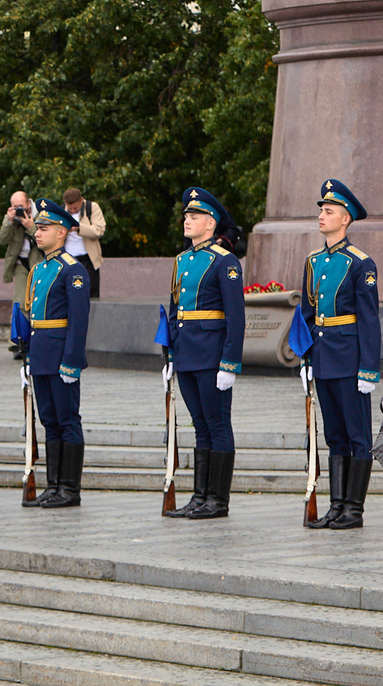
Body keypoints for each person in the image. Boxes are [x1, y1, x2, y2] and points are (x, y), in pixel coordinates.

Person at [300, 178, 382, 529]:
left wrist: (369, 369)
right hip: (323, 358)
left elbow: (369, 321)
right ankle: (336, 505)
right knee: (334, 434)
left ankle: (354, 508)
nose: (322, 215)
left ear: (345, 219)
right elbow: (306, 315)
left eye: (329, 211)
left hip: (349, 359)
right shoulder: (314, 261)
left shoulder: (360, 264)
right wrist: (306, 358)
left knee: (357, 435)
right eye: (321, 209)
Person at [166, 187, 247, 520]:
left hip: (212, 355)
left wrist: (229, 363)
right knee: (200, 426)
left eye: (195, 216)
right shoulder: (182, 261)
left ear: (211, 223)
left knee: (217, 425)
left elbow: (236, 317)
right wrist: (170, 354)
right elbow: (175, 312)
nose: (187, 220)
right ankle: (200, 496)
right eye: (186, 215)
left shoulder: (224, 262)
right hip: (186, 354)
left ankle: (218, 499)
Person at [15, 199, 90, 509]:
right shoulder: (39, 269)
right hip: (42, 356)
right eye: (38, 228)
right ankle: (54, 485)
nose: (38, 233)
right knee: (49, 421)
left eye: (44, 228)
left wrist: (71, 361)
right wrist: (29, 358)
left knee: (67, 420)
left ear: (62, 232)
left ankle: (69, 489)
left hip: (61, 356)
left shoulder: (72, 270)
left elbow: (78, 321)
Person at [0, 191, 37, 345]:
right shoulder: (10, 218)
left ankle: (36, 340)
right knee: (20, 303)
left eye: (21, 206)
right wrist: (9, 222)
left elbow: (48, 241)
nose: (18, 209)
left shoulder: (41, 215)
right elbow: (2, 240)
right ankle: (17, 342)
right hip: (21, 264)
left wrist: (31, 227)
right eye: (15, 206)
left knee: (38, 302)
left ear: (28, 204)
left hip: (39, 264)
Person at [62, 189, 106, 298]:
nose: (73, 210)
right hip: (68, 258)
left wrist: (79, 228)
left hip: (89, 258)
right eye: (70, 208)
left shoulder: (92, 207)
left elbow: (99, 231)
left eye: (76, 208)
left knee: (91, 292)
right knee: (68, 292)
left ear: (81, 200)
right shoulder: (62, 210)